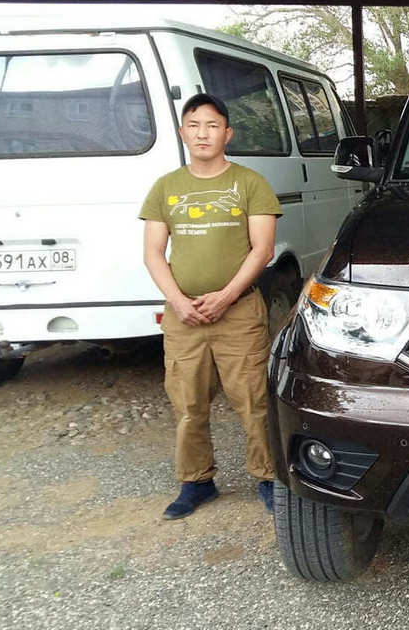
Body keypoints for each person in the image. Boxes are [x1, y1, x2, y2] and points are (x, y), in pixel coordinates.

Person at [139, 93, 281, 520]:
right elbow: (152, 253)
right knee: (187, 403)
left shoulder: (250, 183)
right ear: (183, 132)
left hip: (237, 314)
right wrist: (179, 302)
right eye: (195, 125)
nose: (203, 133)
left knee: (254, 400)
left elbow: (263, 249)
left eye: (213, 125)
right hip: (185, 318)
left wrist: (226, 295)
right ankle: (196, 481)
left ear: (228, 133)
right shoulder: (166, 187)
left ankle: (270, 477)